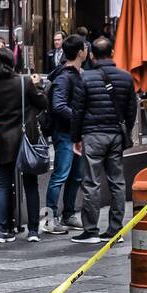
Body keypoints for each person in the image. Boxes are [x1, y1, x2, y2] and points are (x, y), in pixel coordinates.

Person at [70, 36, 139, 244]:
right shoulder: (126, 78)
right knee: (117, 182)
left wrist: (76, 137)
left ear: (92, 55)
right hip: (116, 135)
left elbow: (77, 111)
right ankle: (115, 230)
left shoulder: (85, 78)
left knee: (91, 182)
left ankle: (90, 230)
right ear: (112, 53)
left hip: (93, 135)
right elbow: (131, 110)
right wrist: (124, 129)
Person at [0, 47, 48, 243]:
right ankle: (33, 231)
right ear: (12, 63)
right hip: (25, 139)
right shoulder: (24, 82)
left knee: (3, 184)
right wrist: (39, 86)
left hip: (2, 139)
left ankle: (2, 230)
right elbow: (42, 103)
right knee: (31, 185)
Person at [43, 33, 86, 234]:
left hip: (75, 134)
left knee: (76, 175)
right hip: (65, 134)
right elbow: (58, 105)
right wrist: (78, 118)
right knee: (60, 174)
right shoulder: (64, 77)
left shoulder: (76, 74)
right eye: (85, 47)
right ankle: (50, 219)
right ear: (80, 52)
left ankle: (68, 214)